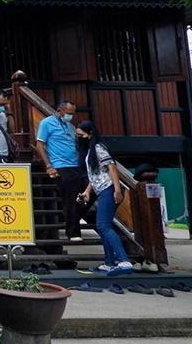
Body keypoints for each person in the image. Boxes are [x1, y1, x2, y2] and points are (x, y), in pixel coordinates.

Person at [76, 120, 133, 276]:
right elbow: (95, 175)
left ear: (90, 133)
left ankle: (123, 260)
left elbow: (112, 168)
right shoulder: (90, 150)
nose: (79, 138)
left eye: (81, 135)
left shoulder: (98, 148)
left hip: (109, 189)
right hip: (102, 189)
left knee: (103, 226)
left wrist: (117, 190)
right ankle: (109, 262)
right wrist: (87, 192)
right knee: (103, 226)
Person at [36, 99, 86, 242]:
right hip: (60, 165)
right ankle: (73, 232)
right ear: (59, 111)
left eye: (73, 113)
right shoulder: (46, 123)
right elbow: (40, 145)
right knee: (70, 198)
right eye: (68, 113)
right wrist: (49, 166)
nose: (71, 116)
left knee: (84, 195)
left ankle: (72, 220)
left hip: (76, 165)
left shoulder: (71, 126)